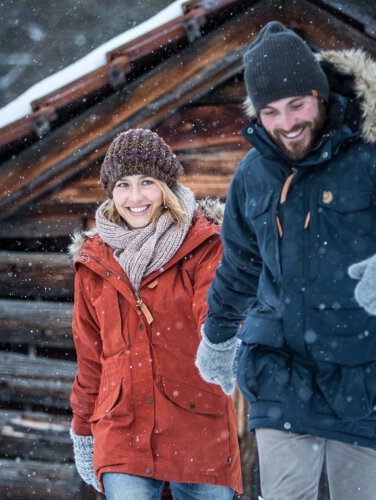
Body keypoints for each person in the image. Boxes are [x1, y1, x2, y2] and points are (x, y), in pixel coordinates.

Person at [195, 21, 376, 500]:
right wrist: (218, 336)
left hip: (366, 378)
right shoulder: (252, 176)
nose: (286, 124)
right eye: (271, 112)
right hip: (280, 374)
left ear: (320, 95)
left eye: (297, 106)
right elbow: (240, 265)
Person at [68, 129, 242, 499]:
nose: (135, 197)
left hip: (198, 426)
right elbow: (90, 362)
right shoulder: (93, 263)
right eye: (123, 185)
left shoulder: (204, 245)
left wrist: (226, 340)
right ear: (110, 193)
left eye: (147, 182)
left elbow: (214, 311)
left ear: (165, 186)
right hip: (122, 430)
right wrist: (83, 430)